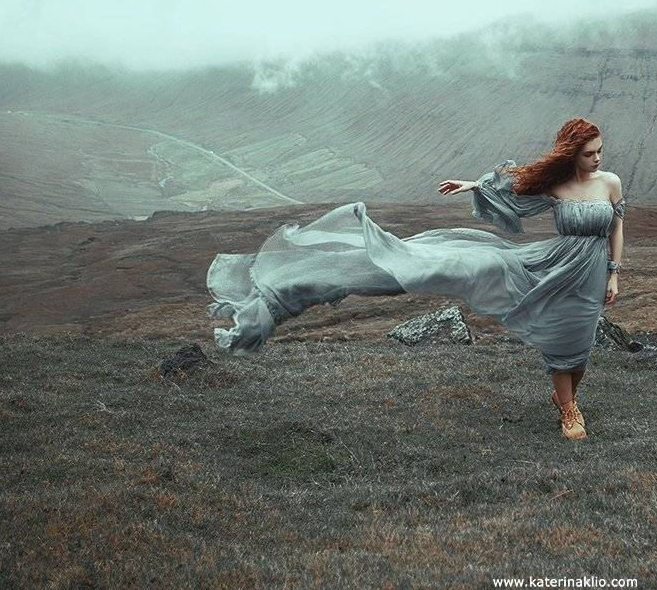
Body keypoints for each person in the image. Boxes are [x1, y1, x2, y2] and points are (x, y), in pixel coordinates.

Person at [205, 117, 626, 440]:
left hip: (593, 271)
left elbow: (616, 228)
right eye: (590, 154)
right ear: (572, 154)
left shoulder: (610, 183)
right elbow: (511, 186)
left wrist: (613, 273)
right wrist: (472, 184)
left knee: (582, 340)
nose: (598, 159)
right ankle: (569, 409)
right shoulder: (557, 185)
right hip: (556, 264)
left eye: (600, 152)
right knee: (554, 330)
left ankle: (564, 394)